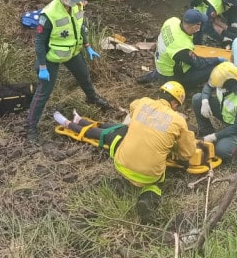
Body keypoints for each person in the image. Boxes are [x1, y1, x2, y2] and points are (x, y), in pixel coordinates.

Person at [53, 81, 196, 220]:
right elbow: (187, 153)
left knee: (118, 131)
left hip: (120, 164)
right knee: (158, 179)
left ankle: (75, 123)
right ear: (175, 103)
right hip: (148, 175)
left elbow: (133, 109)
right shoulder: (178, 120)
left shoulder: (143, 102)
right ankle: (148, 197)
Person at [24, 0, 110, 146]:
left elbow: (80, 26)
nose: (76, 2)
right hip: (51, 57)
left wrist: (88, 46)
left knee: (84, 76)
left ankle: (92, 98)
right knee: (44, 91)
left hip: (72, 52)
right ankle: (30, 127)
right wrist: (42, 66)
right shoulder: (48, 15)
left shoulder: (77, 5)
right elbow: (39, 43)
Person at [154, 9, 226, 93]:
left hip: (162, 65)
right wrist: (218, 59)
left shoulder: (172, 21)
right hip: (171, 79)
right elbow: (199, 63)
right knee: (216, 67)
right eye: (200, 24)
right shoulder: (181, 47)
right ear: (195, 26)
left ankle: (154, 75)